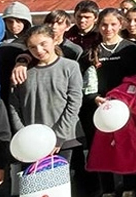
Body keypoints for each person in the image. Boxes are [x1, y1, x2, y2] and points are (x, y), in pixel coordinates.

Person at [82, 8, 136, 197]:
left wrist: (121, 100)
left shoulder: (131, 49)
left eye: (112, 24)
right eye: (103, 25)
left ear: (121, 25)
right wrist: (95, 99)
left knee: (125, 147)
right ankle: (107, 192)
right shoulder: (91, 51)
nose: (108, 28)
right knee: (101, 149)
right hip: (99, 109)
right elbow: (86, 82)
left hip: (123, 108)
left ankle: (129, 190)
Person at [10, 25, 83, 160]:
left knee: (69, 181)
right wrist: (24, 134)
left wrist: (59, 136)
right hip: (32, 144)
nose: (39, 50)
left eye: (43, 44)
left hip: (66, 141)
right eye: (32, 47)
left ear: (54, 40)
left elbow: (74, 103)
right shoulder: (22, 72)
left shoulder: (70, 67)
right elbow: (14, 105)